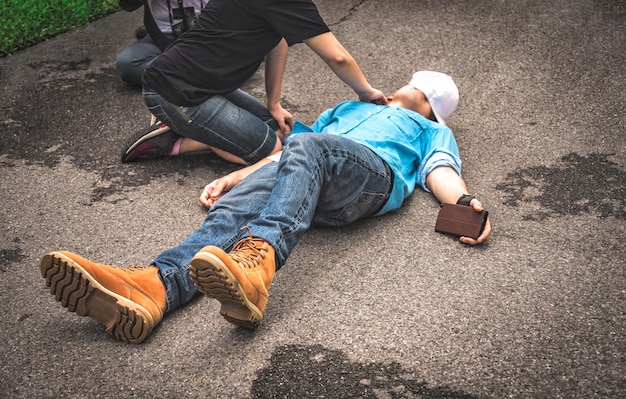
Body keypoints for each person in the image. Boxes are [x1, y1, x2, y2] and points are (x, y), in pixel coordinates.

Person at [41, 71, 492, 344]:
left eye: (418, 87)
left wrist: (466, 204)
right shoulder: (349, 107)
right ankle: (154, 288)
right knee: (232, 210)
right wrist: (241, 175)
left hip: (368, 180)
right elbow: (295, 152)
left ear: (430, 103)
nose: (406, 88)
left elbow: (439, 172)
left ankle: (259, 263)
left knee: (309, 143)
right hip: (308, 174)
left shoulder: (432, 129)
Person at [120, 0, 388, 165]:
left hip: (206, 85)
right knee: (271, 149)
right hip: (173, 91)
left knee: (278, 126)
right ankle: (173, 140)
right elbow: (338, 57)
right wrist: (367, 91)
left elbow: (279, 40)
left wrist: (273, 103)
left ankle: (194, 128)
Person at [115, 0, 207, 87]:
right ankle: (200, 73)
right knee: (127, 65)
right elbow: (129, 5)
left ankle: (187, 75)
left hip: (209, 32)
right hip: (163, 34)